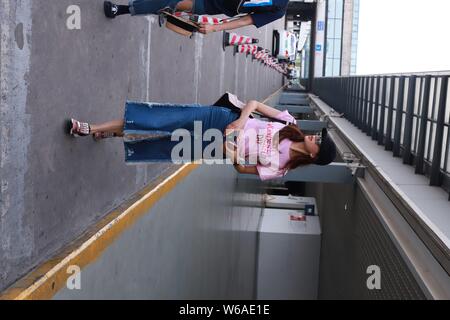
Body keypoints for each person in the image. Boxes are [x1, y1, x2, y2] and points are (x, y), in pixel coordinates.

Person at [66, 99, 336, 181]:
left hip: (215, 146)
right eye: (319, 135)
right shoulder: (290, 123)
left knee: (162, 145)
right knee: (161, 120)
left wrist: (230, 153)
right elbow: (254, 104)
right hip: (219, 120)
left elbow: (243, 168)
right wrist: (242, 119)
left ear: (314, 155)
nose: (315, 136)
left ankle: (108, 133)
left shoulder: (281, 168)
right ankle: (90, 128)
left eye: (318, 142)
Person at [103, 0, 290, 34]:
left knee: (171, 0)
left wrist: (214, 27)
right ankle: (161, 8)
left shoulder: (278, 9)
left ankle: (122, 9)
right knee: (166, 3)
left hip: (211, 4)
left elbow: (246, 20)